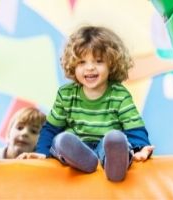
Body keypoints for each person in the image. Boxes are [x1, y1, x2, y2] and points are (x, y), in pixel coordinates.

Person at [18, 25, 154, 182]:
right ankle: (82, 160)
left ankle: (115, 166)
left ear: (112, 63)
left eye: (98, 61)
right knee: (61, 139)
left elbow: (134, 128)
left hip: (105, 147)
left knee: (116, 139)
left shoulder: (119, 94)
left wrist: (141, 148)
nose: (90, 68)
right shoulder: (66, 94)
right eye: (82, 62)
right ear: (73, 65)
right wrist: (42, 152)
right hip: (75, 146)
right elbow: (50, 129)